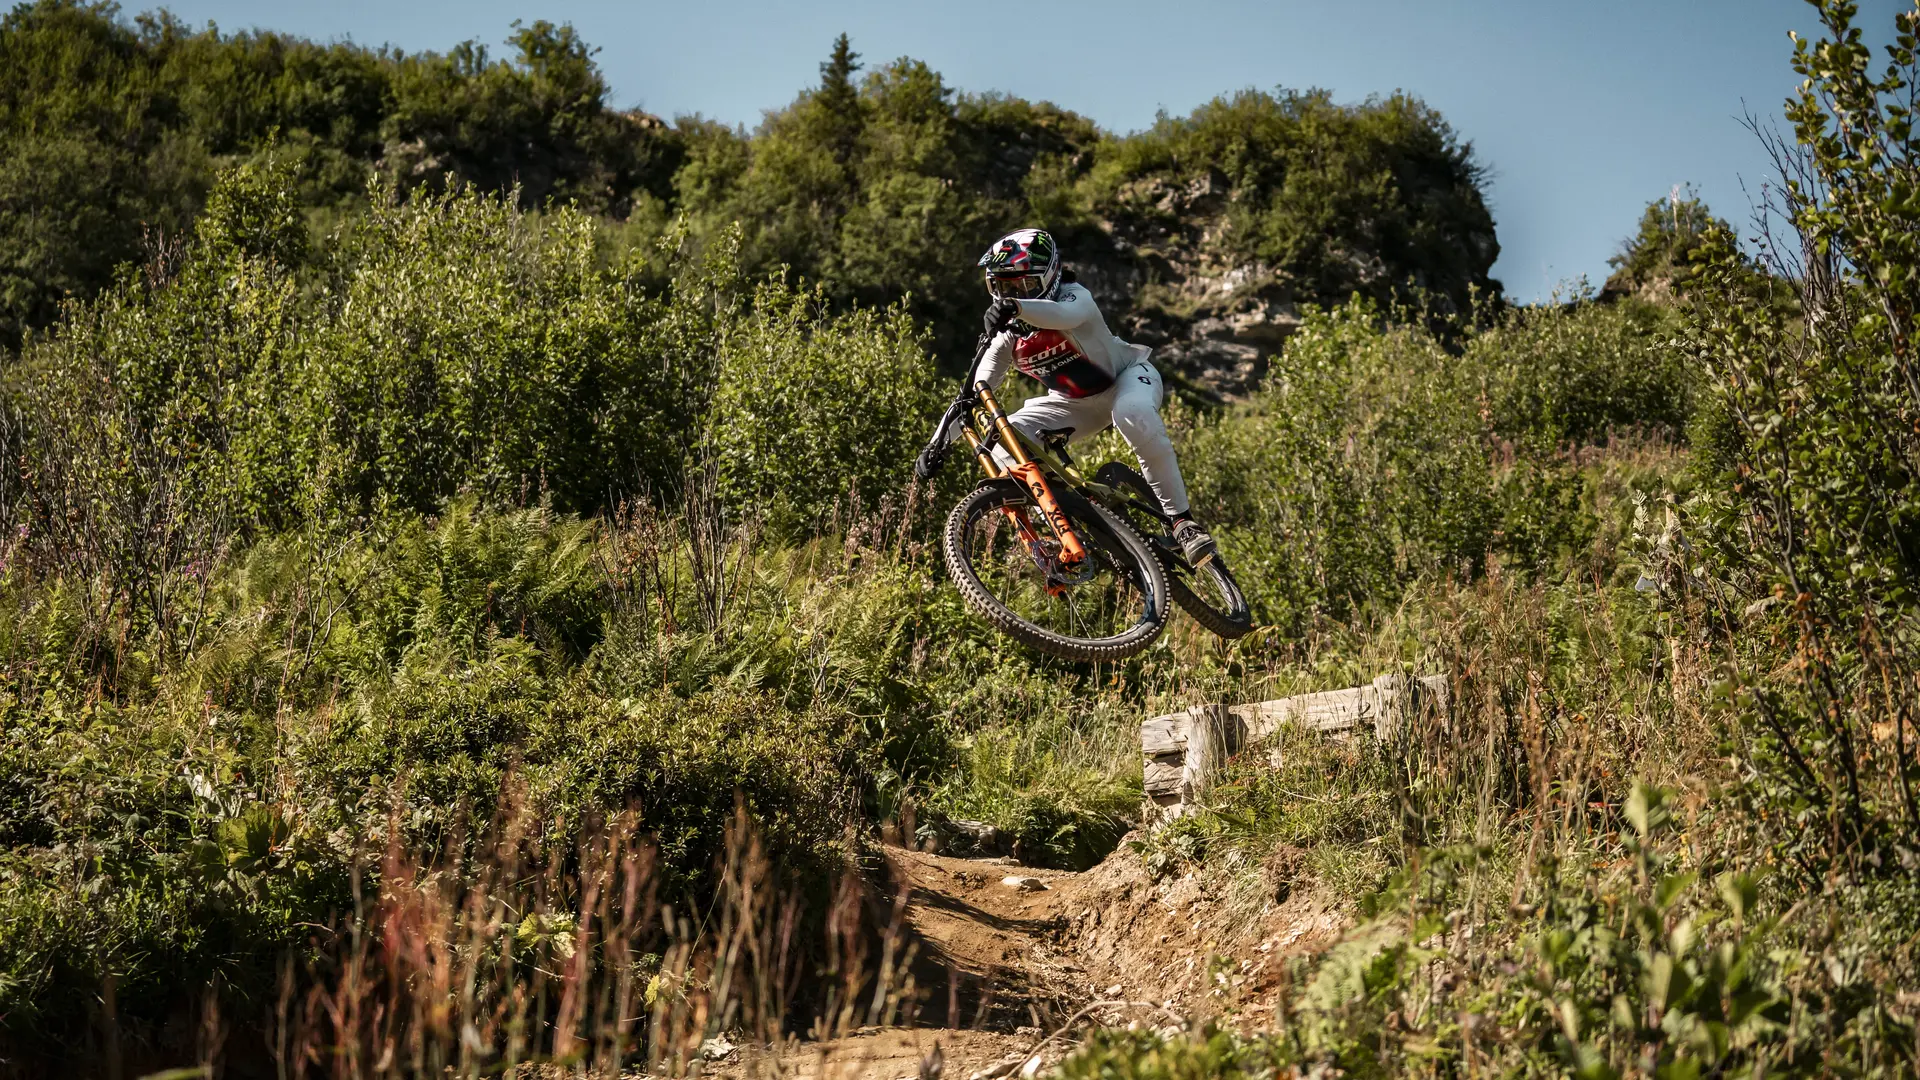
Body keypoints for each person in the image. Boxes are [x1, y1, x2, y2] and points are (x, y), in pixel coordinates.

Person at [921, 227, 1217, 567]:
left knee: (1132, 413)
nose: (1010, 295)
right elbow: (975, 394)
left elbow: (1064, 318)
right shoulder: (1007, 336)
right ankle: (1066, 522)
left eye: (1022, 285)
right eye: (1002, 287)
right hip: (1073, 404)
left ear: (1048, 277)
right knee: (1003, 441)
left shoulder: (1074, 296)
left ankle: (1182, 522)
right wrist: (937, 444)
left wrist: (1016, 305)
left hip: (1126, 379)